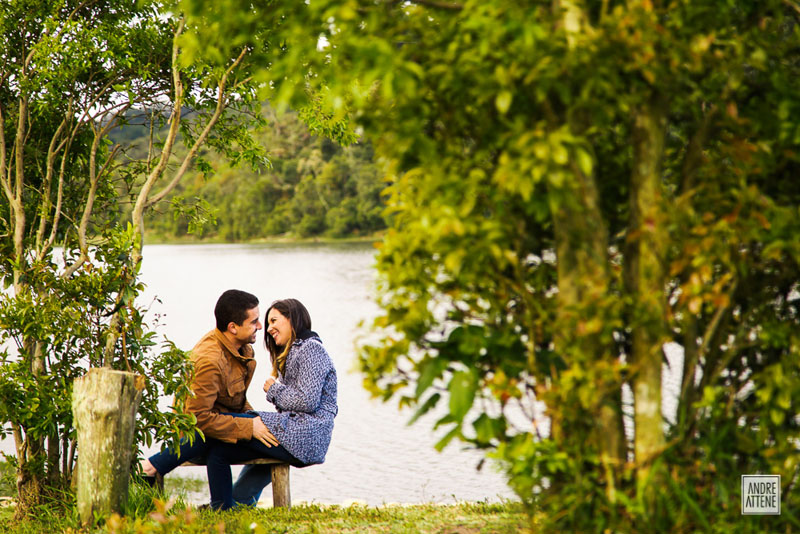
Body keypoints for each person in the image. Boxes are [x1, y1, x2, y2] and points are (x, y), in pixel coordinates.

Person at [141, 289, 279, 506]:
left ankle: (228, 505)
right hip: (194, 437)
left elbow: (236, 402)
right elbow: (199, 420)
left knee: (273, 438)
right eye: (254, 322)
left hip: (219, 422)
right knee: (227, 444)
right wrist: (248, 427)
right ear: (233, 327)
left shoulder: (241, 347)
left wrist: (254, 419)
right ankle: (150, 468)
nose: (260, 327)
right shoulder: (210, 361)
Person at [204, 298, 338, 510]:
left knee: (236, 422)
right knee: (220, 452)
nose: (269, 328)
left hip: (307, 434)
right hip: (295, 431)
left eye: (274, 320)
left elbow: (307, 402)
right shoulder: (293, 352)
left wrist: (274, 390)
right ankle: (228, 507)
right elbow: (295, 405)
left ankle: (221, 507)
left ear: (292, 319)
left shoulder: (311, 349)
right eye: (268, 323)